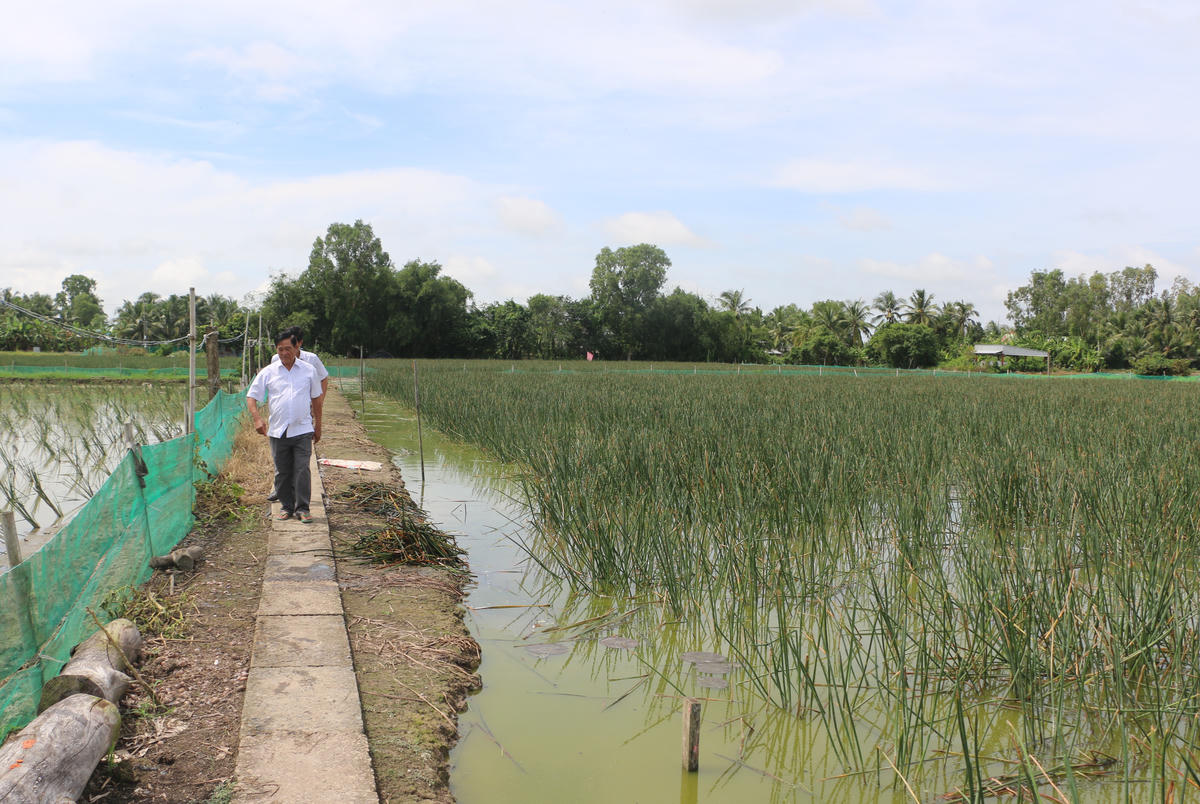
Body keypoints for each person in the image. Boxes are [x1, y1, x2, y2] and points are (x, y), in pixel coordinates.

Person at [247, 332, 323, 523]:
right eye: (280, 349)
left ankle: (303, 508)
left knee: (302, 469)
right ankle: (286, 506)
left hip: (303, 429)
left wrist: (319, 425)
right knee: (282, 471)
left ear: (297, 348)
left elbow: (316, 399)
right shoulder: (269, 372)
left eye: (288, 348)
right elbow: (252, 396)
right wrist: (257, 419)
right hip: (277, 430)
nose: (284, 353)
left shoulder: (308, 370)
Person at [267, 326, 329, 502]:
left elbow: (324, 378)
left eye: (291, 345)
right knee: (281, 456)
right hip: (283, 413)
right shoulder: (275, 360)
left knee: (301, 460)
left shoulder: (311, 361)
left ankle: (300, 501)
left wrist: (319, 400)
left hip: (304, 409)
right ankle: (281, 491)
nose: (286, 351)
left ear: (298, 344)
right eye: (282, 347)